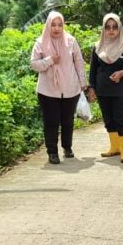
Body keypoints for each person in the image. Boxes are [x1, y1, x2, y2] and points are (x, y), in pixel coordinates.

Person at [30, 11, 88, 164]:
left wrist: (83, 82)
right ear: (48, 25)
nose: (56, 28)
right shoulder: (40, 42)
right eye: (53, 25)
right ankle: (52, 152)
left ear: (63, 26)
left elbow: (79, 62)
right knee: (51, 122)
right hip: (48, 90)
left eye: (60, 25)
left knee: (68, 121)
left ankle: (67, 147)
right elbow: (34, 64)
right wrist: (49, 60)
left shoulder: (71, 41)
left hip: (70, 87)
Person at [88, 13, 123, 163]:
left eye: (114, 27)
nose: (111, 30)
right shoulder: (98, 47)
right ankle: (115, 147)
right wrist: (92, 88)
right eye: (107, 27)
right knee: (108, 119)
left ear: (119, 28)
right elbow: (93, 69)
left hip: (120, 90)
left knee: (121, 119)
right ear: (103, 29)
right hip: (102, 90)